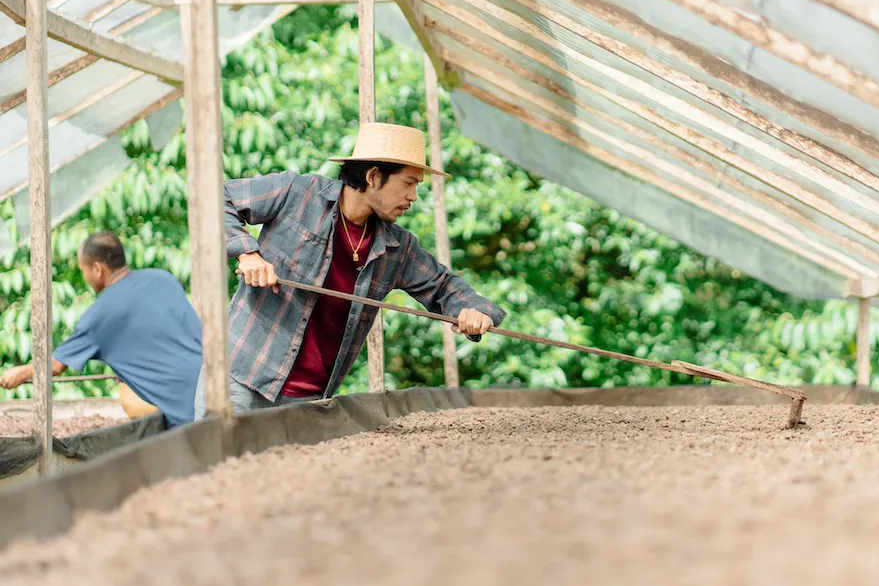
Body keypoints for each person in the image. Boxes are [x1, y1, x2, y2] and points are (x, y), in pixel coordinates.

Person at [193, 122, 506, 417]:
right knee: (220, 474)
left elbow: (444, 286)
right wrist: (246, 253)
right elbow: (212, 197)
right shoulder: (298, 193)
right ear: (373, 176)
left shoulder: (397, 247)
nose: (413, 196)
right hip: (241, 380)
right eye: (408, 183)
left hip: (310, 403)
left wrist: (477, 311)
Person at [0, 231, 203, 428]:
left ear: (97, 269)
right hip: (217, 387)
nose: (85, 277)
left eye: (83, 270)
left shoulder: (99, 315)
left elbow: (55, 366)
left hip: (185, 416)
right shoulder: (163, 278)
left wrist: (20, 373)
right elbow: (164, 335)